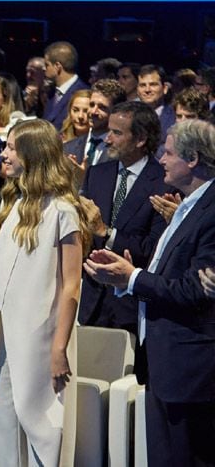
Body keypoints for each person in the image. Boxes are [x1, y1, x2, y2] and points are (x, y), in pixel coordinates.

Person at [84, 119, 215, 466]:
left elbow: (195, 291)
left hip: (189, 370)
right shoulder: (189, 204)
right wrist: (124, 281)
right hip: (164, 360)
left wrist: (133, 278)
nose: (161, 160)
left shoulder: (211, 210)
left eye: (169, 153)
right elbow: (172, 277)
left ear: (194, 159)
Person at [0, 119, 89, 466]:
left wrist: (59, 348)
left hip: (40, 334)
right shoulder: (15, 205)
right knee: (0, 418)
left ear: (33, 155)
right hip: (1, 330)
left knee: (42, 425)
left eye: (10, 147)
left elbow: (71, 285)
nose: (3, 154)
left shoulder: (64, 211)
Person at [78, 101, 169, 334]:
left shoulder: (163, 184)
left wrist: (107, 233)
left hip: (130, 309)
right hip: (90, 305)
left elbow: (152, 249)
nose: (107, 139)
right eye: (109, 131)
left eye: (117, 133)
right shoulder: (97, 175)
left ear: (140, 139)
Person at [43, 41, 89, 130]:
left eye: (47, 65)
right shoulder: (51, 92)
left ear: (57, 66)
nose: (44, 68)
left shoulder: (82, 93)